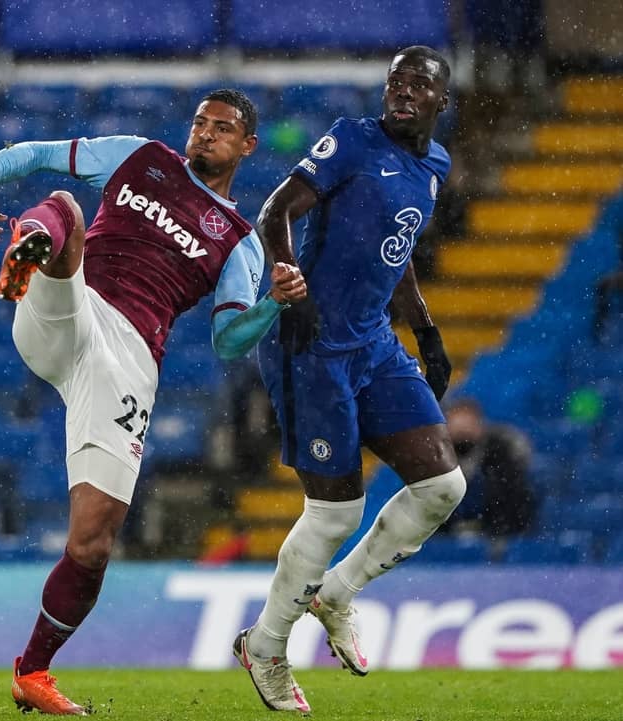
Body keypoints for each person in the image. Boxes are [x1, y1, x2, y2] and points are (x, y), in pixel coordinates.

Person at [0, 89, 308, 715]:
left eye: (222, 128)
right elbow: (40, 154)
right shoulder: (139, 157)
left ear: (248, 145)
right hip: (74, 306)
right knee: (63, 207)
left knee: (92, 544)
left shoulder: (240, 240)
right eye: (199, 122)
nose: (205, 134)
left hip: (128, 364)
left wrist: (272, 305)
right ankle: (27, 248)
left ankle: (32, 672)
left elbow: (229, 340)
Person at [233, 46, 465, 714]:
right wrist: (289, 282)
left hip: (373, 343)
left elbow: (398, 251)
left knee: (443, 485)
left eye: (418, 84)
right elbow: (275, 210)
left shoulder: (434, 165)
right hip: (311, 345)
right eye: (396, 80)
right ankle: (268, 645)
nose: (402, 91)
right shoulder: (353, 141)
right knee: (336, 510)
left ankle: (336, 592)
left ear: (439, 102)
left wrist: (425, 331)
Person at [444, 397, 535, 539]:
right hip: (446, 538)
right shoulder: (437, 461)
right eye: (458, 429)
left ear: (480, 427)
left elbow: (514, 502)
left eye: (467, 427)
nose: (463, 433)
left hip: (497, 535)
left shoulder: (499, 459)